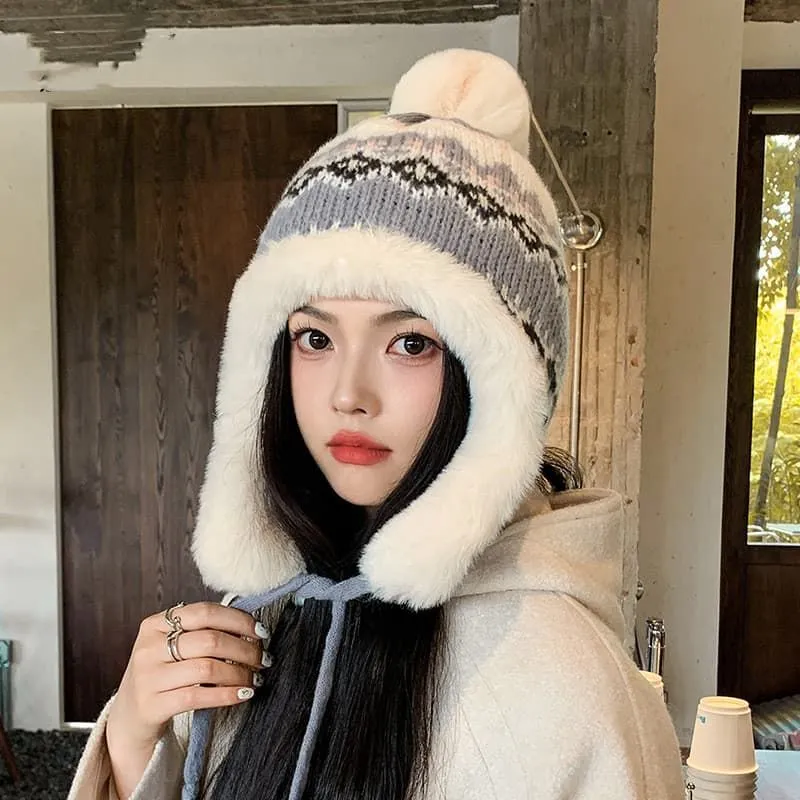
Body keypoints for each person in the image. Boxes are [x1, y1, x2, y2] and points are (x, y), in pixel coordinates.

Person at [68, 48, 685, 800]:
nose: (347, 396)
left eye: (410, 343)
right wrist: (134, 736)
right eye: (315, 338)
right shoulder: (269, 613)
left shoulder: (569, 689)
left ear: (500, 385)